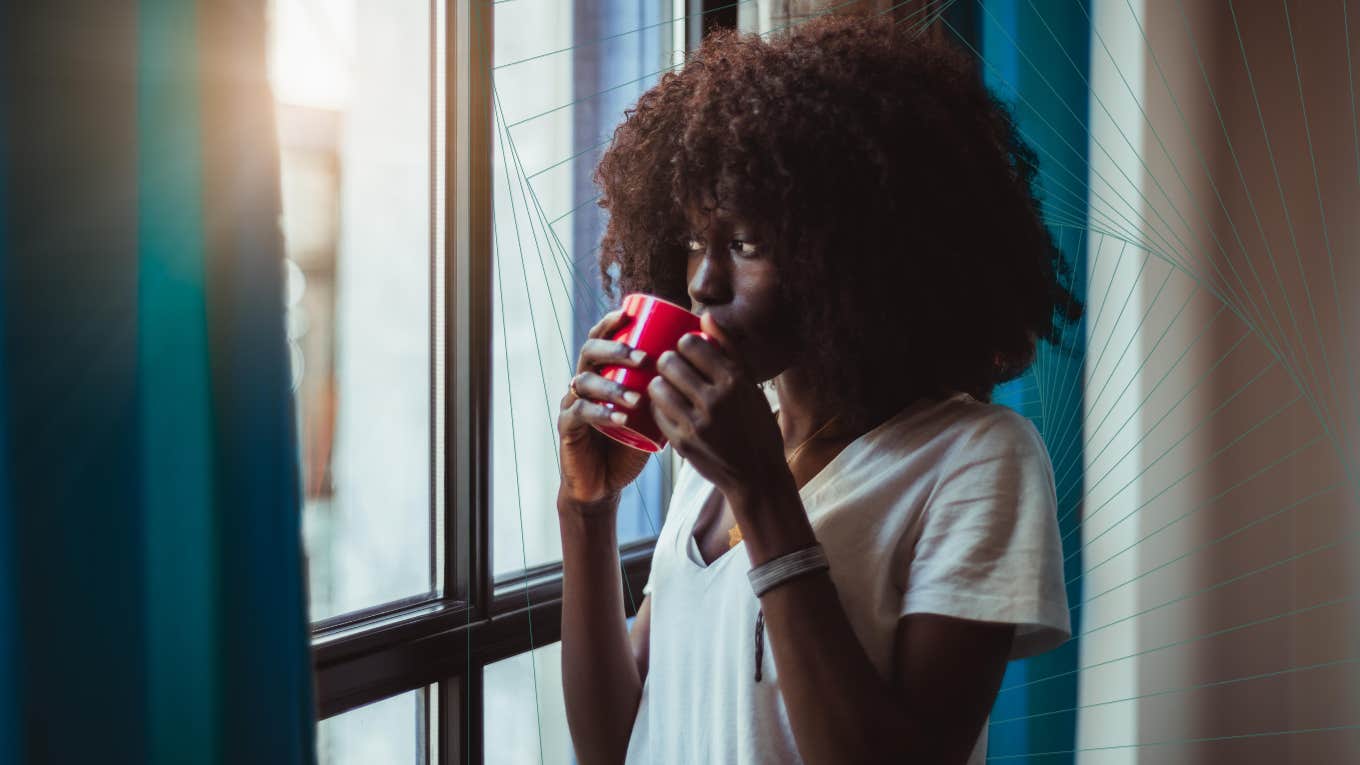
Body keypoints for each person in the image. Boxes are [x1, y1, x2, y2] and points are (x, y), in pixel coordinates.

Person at [555, 11, 1082, 765]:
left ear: (854, 252)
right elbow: (614, 743)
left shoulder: (976, 460)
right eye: (696, 240)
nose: (702, 282)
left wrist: (763, 488)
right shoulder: (726, 450)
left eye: (745, 244)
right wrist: (586, 510)